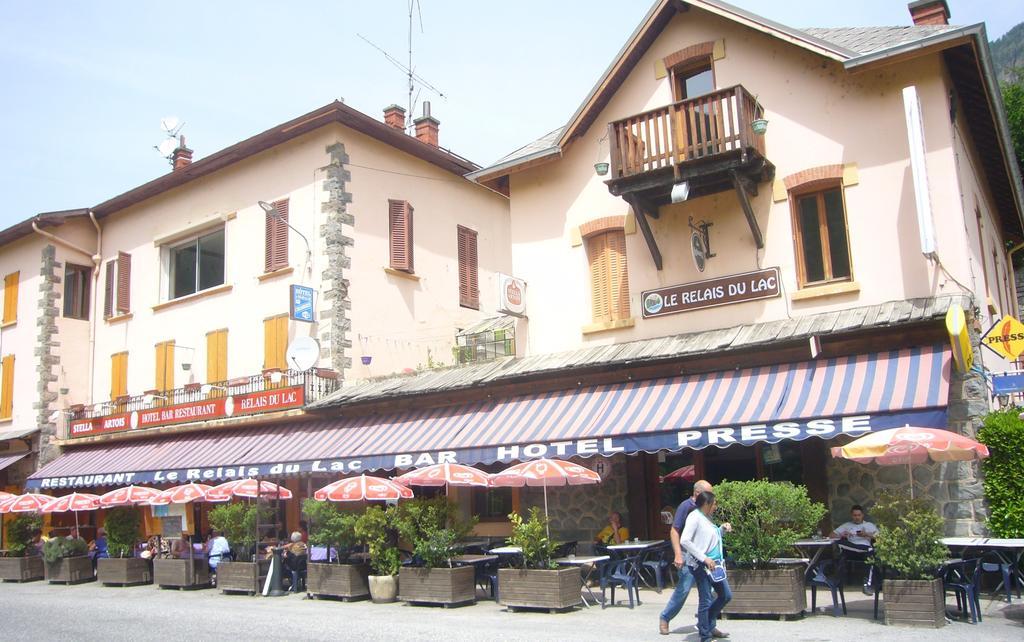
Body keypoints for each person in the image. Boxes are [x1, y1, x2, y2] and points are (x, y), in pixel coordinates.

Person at [659, 479, 713, 635]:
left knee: (708, 590)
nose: (711, 496)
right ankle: (665, 617)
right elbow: (674, 531)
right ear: (697, 493)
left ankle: (707, 624)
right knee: (684, 588)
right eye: (708, 493)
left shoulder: (706, 507)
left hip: (702, 554)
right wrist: (677, 554)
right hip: (687, 553)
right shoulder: (686, 506)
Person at [681, 491, 732, 642]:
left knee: (725, 595)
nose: (716, 506)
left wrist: (721, 529)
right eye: (714, 503)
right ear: (706, 504)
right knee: (706, 599)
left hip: (714, 565)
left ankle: (706, 624)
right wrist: (704, 558)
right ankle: (705, 635)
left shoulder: (707, 517)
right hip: (700, 565)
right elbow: (685, 540)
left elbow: (710, 538)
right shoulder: (694, 517)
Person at [830, 504, 879, 593]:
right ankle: (837, 582)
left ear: (862, 515)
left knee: (870, 554)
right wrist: (841, 535)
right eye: (855, 515)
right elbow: (831, 535)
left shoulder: (869, 525)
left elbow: (880, 537)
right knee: (839, 542)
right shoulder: (847, 525)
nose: (857, 517)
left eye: (859, 515)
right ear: (851, 515)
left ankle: (866, 584)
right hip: (850, 551)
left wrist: (866, 534)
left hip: (864, 550)